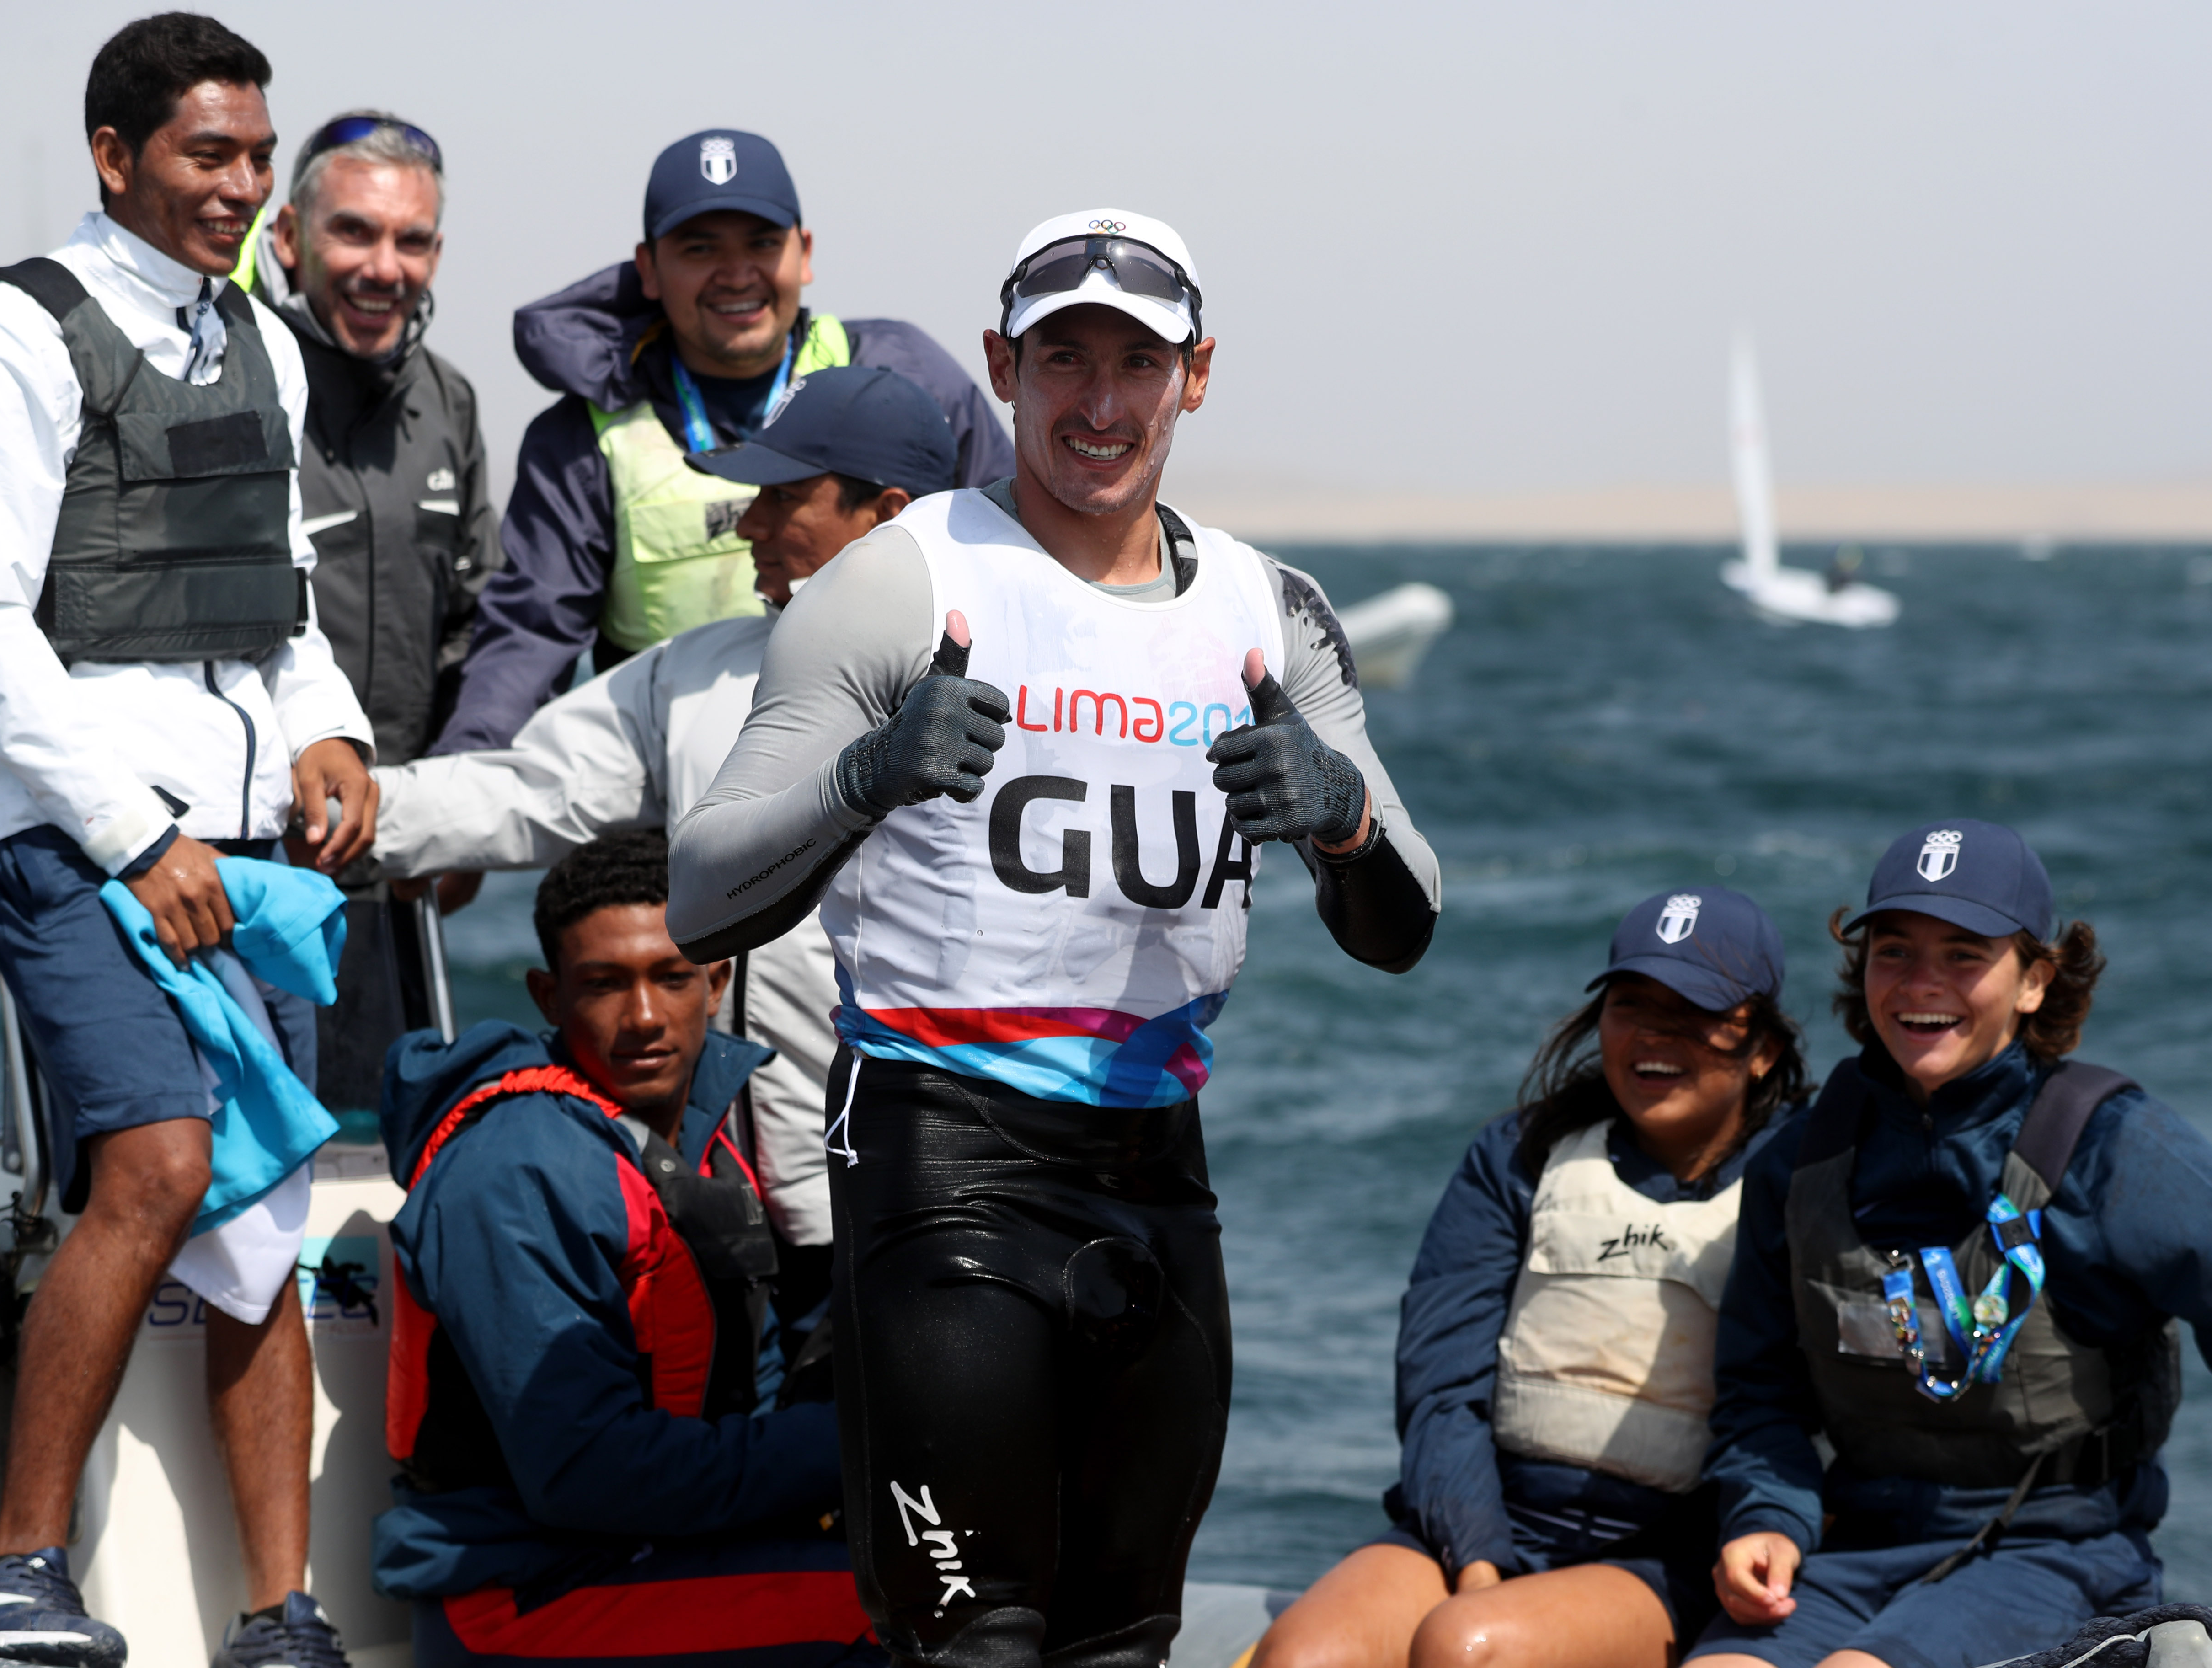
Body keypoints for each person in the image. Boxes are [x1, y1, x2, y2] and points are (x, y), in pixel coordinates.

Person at [665, 208, 1442, 1668]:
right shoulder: (903, 579)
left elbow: (1408, 918)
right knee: (976, 1649)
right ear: (1001, 366)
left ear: (1197, 374)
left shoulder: (1269, 612)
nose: (1097, 404)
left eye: (1135, 364)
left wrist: (1336, 813)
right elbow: (703, 890)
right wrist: (864, 778)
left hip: (1158, 1177)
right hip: (939, 1160)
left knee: (1122, 1645)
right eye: (1061, 360)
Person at [0, 15, 376, 1668]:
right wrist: (129, 828)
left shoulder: (269, 340)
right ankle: (18, 1573)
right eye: (206, 155)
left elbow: (281, 614)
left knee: (264, 1214)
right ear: (116, 158)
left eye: (257, 157)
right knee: (164, 1163)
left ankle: (282, 1612)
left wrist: (336, 730)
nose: (243, 187)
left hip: (246, 846)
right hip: (66, 832)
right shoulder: (10, 339)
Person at [1691, 820, 2212, 1668]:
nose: (1922, 984)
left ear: (2035, 980)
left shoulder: (2118, 1149)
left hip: (2059, 1555)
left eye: (1963, 954)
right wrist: (1765, 1514)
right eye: (1895, 951)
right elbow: (1758, 1387)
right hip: (1856, 1552)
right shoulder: (1803, 1159)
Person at [370, 364, 959, 1258]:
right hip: (738, 1219)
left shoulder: (1017, 691)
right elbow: (526, 788)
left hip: (930, 1209)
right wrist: (342, 814)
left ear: (887, 516)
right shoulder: (692, 673)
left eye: (783, 498)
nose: (749, 525)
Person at [1257, 890, 1811, 1668]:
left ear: (1763, 1048)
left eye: (1693, 1011)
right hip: (1487, 1522)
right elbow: (1442, 1386)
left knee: (1472, 1648)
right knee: (1305, 1660)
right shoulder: (1518, 1157)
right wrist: (1479, 1559)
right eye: (1631, 1006)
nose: (1654, 1035)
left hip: (1672, 1552)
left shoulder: (1806, 1179)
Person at [373, 829, 877, 1668]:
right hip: (523, 1595)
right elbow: (586, 1472)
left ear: (717, 982)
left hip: (650, 1556)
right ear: (547, 995)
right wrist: (862, 1442)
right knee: (921, 1622)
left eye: (671, 977)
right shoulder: (517, 1169)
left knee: (967, 1573)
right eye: (604, 985)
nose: (643, 1018)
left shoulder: (696, 1138)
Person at [428, 128, 1010, 756]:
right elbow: (528, 637)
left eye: (763, 243)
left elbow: (1017, 554)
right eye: (700, 248)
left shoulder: (907, 372)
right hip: (668, 783)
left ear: (805, 252)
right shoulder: (583, 437)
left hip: (894, 762)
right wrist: (459, 794)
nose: (737, 276)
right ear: (648, 267)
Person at [229, 108, 501, 1117]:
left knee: (385, 1154)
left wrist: (464, 806)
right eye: (355, 232)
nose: (384, 267)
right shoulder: (222, 385)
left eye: (412, 239)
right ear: (290, 239)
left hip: (396, 865)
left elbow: (484, 618)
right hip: (251, 860)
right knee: (248, 1167)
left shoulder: (452, 402)